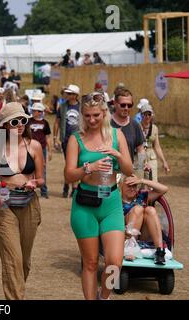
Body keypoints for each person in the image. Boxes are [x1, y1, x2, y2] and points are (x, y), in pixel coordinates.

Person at [65, 92, 133, 300]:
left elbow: (129, 171)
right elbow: (68, 176)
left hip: (111, 203)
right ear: (82, 115)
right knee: (91, 262)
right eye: (87, 116)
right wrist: (89, 167)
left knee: (115, 262)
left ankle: (104, 296)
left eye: (96, 115)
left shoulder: (116, 135)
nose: (92, 120)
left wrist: (119, 155)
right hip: (85, 205)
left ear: (104, 113)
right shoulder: (76, 139)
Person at [0, 102, 44, 300]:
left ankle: (17, 291)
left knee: (24, 261)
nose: (19, 125)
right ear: (5, 125)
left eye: (22, 120)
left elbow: (42, 178)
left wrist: (35, 183)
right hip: (5, 203)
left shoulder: (33, 145)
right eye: (14, 122)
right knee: (12, 259)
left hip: (29, 203)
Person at [120, 175, 168, 265]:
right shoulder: (116, 200)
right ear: (121, 186)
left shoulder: (141, 196)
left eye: (134, 186)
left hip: (143, 235)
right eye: (129, 185)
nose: (132, 189)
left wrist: (142, 180)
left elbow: (164, 189)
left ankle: (160, 251)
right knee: (138, 209)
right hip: (124, 235)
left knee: (151, 210)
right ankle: (131, 248)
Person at [110, 88, 146, 174]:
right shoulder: (106, 124)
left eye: (129, 105)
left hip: (127, 173)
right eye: (123, 105)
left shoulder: (135, 125)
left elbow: (140, 149)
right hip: (108, 173)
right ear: (115, 104)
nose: (126, 108)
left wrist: (140, 170)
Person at [54, 84, 80, 197]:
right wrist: (55, 138)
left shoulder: (82, 107)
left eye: (70, 93)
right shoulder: (63, 107)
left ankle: (74, 187)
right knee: (69, 163)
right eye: (67, 93)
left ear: (75, 95)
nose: (67, 95)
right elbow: (56, 122)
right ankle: (66, 184)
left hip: (79, 139)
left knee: (77, 164)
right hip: (66, 139)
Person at [139, 103, 170, 181]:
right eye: (145, 114)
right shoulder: (137, 127)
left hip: (151, 157)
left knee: (153, 180)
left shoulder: (154, 128)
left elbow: (157, 147)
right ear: (141, 115)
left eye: (149, 114)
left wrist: (164, 162)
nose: (147, 116)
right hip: (140, 156)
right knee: (141, 181)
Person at [29, 102, 52, 198]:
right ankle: (30, 189)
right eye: (32, 110)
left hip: (41, 149)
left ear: (40, 112)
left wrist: (50, 150)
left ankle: (44, 191)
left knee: (42, 169)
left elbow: (47, 137)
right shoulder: (28, 121)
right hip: (29, 148)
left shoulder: (45, 123)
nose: (33, 112)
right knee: (29, 168)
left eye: (35, 110)